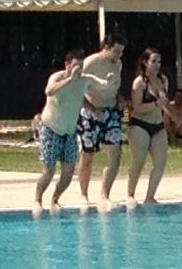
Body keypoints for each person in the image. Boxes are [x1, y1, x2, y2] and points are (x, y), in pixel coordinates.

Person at [35, 51, 119, 215]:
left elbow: (100, 84)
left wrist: (109, 82)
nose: (79, 70)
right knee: (49, 171)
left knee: (68, 172)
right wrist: (69, 79)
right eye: (75, 66)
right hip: (50, 129)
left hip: (69, 132)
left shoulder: (84, 80)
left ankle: (55, 199)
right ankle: (38, 199)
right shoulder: (57, 78)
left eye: (81, 66)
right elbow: (49, 91)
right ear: (67, 65)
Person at [72, 42, 129, 207]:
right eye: (116, 51)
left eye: (121, 52)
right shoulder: (90, 62)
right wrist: (91, 108)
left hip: (110, 112)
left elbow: (115, 87)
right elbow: (77, 88)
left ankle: (105, 195)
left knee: (115, 152)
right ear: (106, 48)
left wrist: (121, 100)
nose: (119, 55)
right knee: (87, 155)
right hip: (90, 112)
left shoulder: (118, 64)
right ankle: (84, 194)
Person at [123, 50, 173, 206]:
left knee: (160, 162)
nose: (157, 65)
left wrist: (171, 115)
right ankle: (130, 194)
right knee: (139, 160)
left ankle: (150, 196)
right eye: (153, 61)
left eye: (159, 62)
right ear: (145, 62)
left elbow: (164, 103)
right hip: (139, 124)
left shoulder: (163, 80)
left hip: (158, 125)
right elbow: (136, 107)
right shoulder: (139, 82)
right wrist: (155, 104)